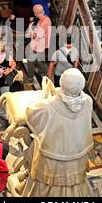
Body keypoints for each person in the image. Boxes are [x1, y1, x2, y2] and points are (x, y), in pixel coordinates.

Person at [22, 68, 94, 196]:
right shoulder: (88, 100)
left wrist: (45, 96)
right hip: (77, 152)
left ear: (61, 83)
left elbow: (31, 114)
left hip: (53, 156)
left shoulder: (48, 105)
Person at [24, 4, 52, 84]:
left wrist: (30, 28)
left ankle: (30, 79)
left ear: (36, 13)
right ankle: (43, 71)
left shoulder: (42, 23)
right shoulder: (47, 19)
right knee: (38, 60)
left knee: (31, 62)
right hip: (42, 44)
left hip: (37, 46)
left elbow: (36, 37)